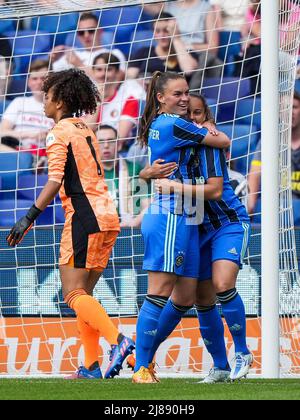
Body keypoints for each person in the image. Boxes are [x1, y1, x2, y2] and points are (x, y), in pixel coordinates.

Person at [6, 68, 135, 380]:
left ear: (61, 102)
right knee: (84, 295)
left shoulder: (59, 131)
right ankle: (90, 366)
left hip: (84, 216)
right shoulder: (85, 128)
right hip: (107, 215)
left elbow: (54, 181)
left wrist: (28, 218)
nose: (44, 104)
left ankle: (119, 342)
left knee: (72, 294)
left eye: (48, 98)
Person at [132, 71, 230, 383]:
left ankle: (142, 358)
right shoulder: (175, 123)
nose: (184, 99)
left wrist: (147, 174)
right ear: (161, 98)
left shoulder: (161, 124)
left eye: (186, 93)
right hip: (171, 214)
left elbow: (154, 167)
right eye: (177, 94)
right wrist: (207, 128)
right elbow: (224, 141)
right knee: (159, 291)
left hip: (188, 214)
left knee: (186, 296)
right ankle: (141, 368)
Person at [154, 94, 253, 383]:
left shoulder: (209, 145)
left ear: (206, 117)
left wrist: (173, 187)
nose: (194, 119)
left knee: (223, 284)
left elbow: (215, 191)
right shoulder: (175, 150)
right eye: (189, 115)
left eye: (199, 114)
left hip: (227, 223)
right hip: (195, 227)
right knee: (199, 298)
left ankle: (243, 352)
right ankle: (220, 367)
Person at [248, 90, 300, 215]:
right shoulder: (269, 140)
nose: (289, 112)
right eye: (285, 108)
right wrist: (249, 207)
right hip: (276, 208)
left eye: (294, 107)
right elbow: (255, 172)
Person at [85, 52, 146, 150]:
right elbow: (85, 132)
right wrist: (98, 102)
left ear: (118, 73)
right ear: (93, 72)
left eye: (108, 70)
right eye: (99, 70)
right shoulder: (84, 101)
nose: (103, 74)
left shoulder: (129, 100)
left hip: (117, 153)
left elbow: (119, 138)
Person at [97, 124, 150, 228]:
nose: (106, 145)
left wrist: (133, 223)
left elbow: (148, 204)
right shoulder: (87, 173)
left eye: (111, 140)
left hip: (128, 230)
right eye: (101, 141)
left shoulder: (135, 169)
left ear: (119, 144)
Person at [0, 60, 53, 160]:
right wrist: (29, 134)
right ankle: (31, 160)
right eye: (34, 78)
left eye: (43, 78)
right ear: (29, 82)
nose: (39, 82)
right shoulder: (19, 102)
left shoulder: (59, 107)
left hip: (46, 153)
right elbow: (2, 131)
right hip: (16, 151)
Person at [49, 12, 126, 78]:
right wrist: (52, 60)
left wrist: (79, 64)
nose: (86, 35)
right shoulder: (71, 54)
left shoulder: (114, 53)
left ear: (100, 31)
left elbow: (117, 80)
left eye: (91, 31)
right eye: (81, 32)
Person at [127, 12, 198, 83]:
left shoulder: (186, 53)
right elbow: (129, 77)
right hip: (145, 91)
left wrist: (176, 38)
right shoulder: (144, 52)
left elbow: (189, 70)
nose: (162, 35)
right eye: (157, 31)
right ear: (153, 33)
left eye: (166, 30)